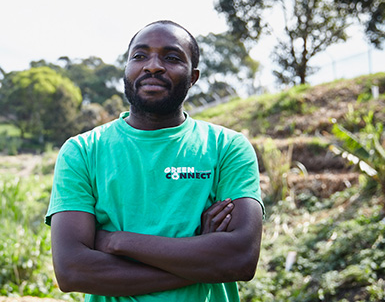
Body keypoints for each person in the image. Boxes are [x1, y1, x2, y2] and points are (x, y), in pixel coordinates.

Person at [45, 20, 264, 301]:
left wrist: (116, 241)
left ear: (193, 77)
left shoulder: (228, 148)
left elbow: (240, 259)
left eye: (171, 58)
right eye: (139, 56)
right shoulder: (83, 151)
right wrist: (202, 257)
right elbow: (73, 271)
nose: (153, 66)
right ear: (126, 69)